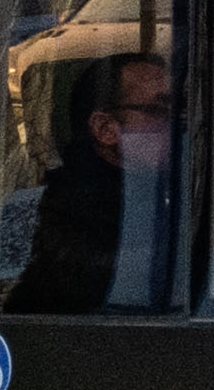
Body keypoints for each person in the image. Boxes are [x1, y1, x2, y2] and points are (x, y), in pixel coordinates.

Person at [11, 49, 172, 311]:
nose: (175, 123)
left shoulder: (159, 191)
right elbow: (94, 273)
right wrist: (203, 246)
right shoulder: (34, 206)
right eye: (159, 110)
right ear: (105, 129)